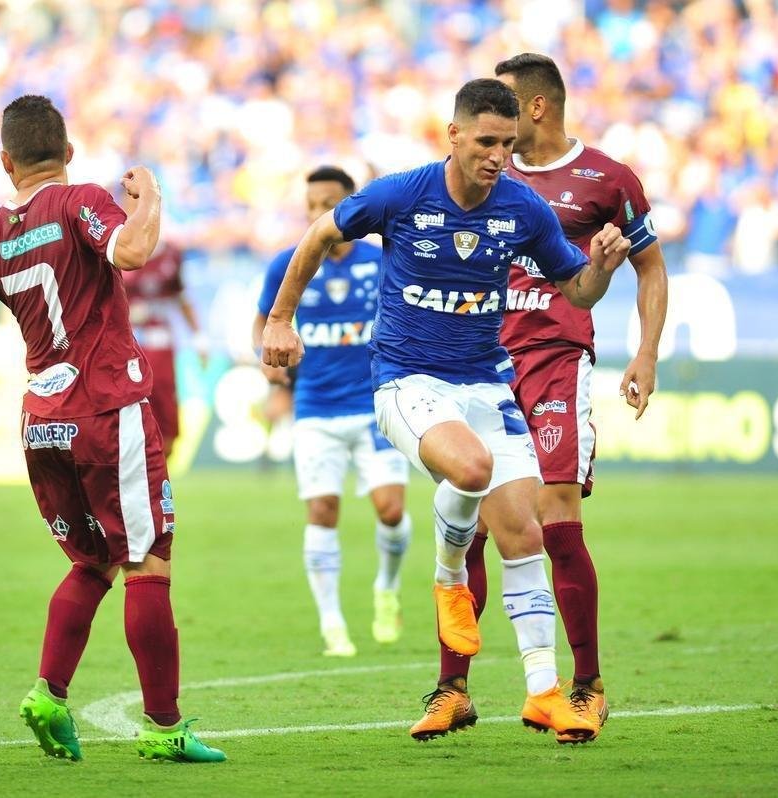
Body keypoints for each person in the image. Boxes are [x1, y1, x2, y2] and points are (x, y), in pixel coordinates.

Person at [262, 79, 632, 745]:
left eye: (508, 145)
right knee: (471, 467)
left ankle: (545, 692)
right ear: (453, 136)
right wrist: (282, 318)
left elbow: (576, 289)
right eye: (486, 142)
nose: (497, 155)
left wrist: (602, 269)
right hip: (405, 381)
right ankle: (447, 577)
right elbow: (319, 234)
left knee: (524, 536)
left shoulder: (522, 209)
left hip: (486, 382)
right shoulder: (401, 195)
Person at [0, 95, 225, 764]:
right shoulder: (79, 203)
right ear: (68, 154)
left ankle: (48, 693)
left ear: (6, 162)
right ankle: (164, 728)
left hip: (42, 421)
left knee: (92, 560)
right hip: (106, 407)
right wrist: (151, 195)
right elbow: (131, 248)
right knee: (146, 560)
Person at [413, 53, 669, 744]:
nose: (490, 132)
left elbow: (650, 264)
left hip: (557, 358)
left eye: (504, 109)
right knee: (471, 519)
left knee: (556, 513)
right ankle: (454, 688)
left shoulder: (606, 180)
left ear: (536, 108)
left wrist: (644, 352)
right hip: (479, 364)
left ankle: (587, 687)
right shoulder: (474, 177)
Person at [252, 166, 412, 657]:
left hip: (375, 404)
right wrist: (269, 364)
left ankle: (386, 588)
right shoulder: (289, 263)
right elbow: (263, 321)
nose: (318, 215)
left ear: (351, 209)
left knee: (392, 509)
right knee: (323, 511)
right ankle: (332, 623)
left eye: (328, 205)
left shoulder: (380, 259)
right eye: (311, 207)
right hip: (317, 408)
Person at [120, 233, 206, 458]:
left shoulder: (171, 254)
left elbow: (181, 297)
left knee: (165, 408)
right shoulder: (116, 245)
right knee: (131, 408)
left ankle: (160, 474)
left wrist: (199, 338)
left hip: (161, 344)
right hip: (125, 345)